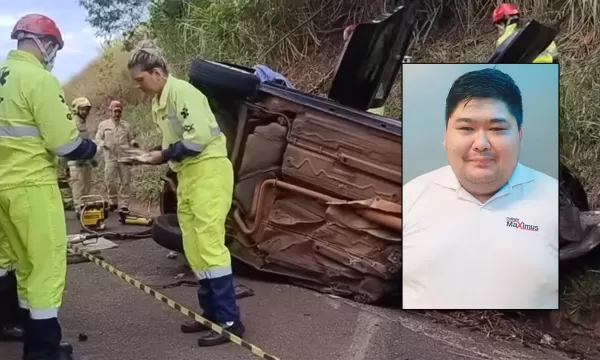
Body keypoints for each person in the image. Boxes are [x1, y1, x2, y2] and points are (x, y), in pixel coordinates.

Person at [402, 68, 558, 309]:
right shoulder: (410, 198)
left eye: (497, 129)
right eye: (466, 129)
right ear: (445, 135)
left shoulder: (555, 202)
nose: (481, 145)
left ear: (519, 135)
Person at [127, 43, 245, 347]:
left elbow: (197, 139)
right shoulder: (159, 101)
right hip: (189, 175)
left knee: (209, 241)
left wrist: (161, 155)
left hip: (208, 170)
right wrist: (158, 154)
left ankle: (230, 321)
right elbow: (176, 144)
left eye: (140, 79)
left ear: (157, 72)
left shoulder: (182, 93)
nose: (137, 86)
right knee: (192, 244)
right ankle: (210, 315)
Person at [0, 13, 97, 360]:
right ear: (43, 42)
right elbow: (65, 143)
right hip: (31, 186)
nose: (52, 53)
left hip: (3, 188)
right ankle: (44, 352)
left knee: (24, 266)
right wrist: (91, 149)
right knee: (45, 268)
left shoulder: (3, 76)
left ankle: (33, 341)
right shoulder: (38, 80)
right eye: (53, 45)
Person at [95, 100, 138, 212]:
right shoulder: (103, 125)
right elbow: (98, 138)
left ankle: (124, 204)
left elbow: (131, 138)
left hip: (124, 157)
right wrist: (104, 144)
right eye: (115, 111)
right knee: (110, 181)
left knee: (125, 181)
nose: (117, 114)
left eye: (119, 111)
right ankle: (113, 202)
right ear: (110, 111)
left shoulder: (126, 125)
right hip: (110, 157)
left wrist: (133, 143)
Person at [493, 3, 559, 63]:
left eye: (497, 27)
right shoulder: (538, 31)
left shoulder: (505, 40)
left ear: (501, 24)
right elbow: (555, 56)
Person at [69, 97, 97, 212]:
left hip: (85, 160)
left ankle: (84, 208)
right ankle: (79, 210)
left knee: (86, 185)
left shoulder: (83, 124)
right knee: (78, 186)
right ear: (76, 110)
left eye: (86, 109)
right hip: (76, 161)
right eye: (82, 109)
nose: (85, 112)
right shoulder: (72, 124)